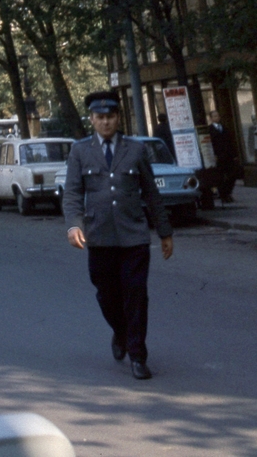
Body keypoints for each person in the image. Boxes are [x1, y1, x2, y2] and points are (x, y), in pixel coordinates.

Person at [64, 92, 174, 382]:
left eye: (110, 117)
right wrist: (74, 225)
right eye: (100, 118)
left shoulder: (135, 150)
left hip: (134, 236)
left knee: (136, 295)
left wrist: (164, 232)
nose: (105, 122)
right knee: (106, 294)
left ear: (118, 118)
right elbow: (73, 192)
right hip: (99, 237)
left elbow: (151, 193)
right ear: (92, 120)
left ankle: (138, 355)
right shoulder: (80, 151)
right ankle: (121, 332)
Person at [208, 113, 241, 204]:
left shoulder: (224, 128)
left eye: (218, 116)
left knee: (232, 175)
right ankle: (224, 195)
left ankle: (228, 192)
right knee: (220, 177)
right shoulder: (209, 130)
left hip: (228, 156)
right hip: (218, 157)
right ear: (211, 118)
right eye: (214, 116)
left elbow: (230, 141)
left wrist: (234, 155)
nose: (217, 118)